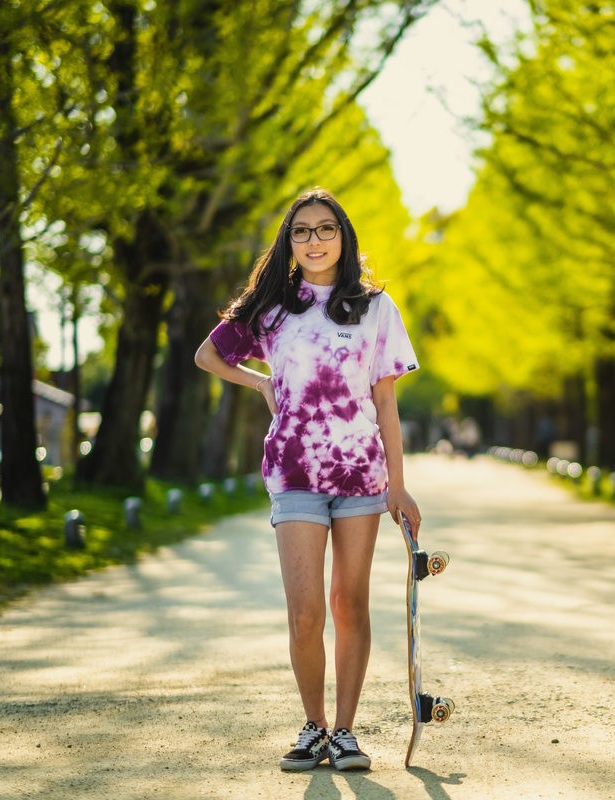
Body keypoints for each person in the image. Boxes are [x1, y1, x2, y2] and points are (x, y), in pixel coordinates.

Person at [195, 187, 421, 772]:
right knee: (305, 613)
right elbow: (208, 355)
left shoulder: (376, 307)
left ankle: (345, 732)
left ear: (343, 237)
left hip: (361, 475)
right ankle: (313, 727)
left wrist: (399, 484)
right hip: (294, 471)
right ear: (288, 242)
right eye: (301, 231)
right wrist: (261, 383)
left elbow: (387, 403)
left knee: (350, 604)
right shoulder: (272, 305)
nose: (314, 240)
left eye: (325, 229)